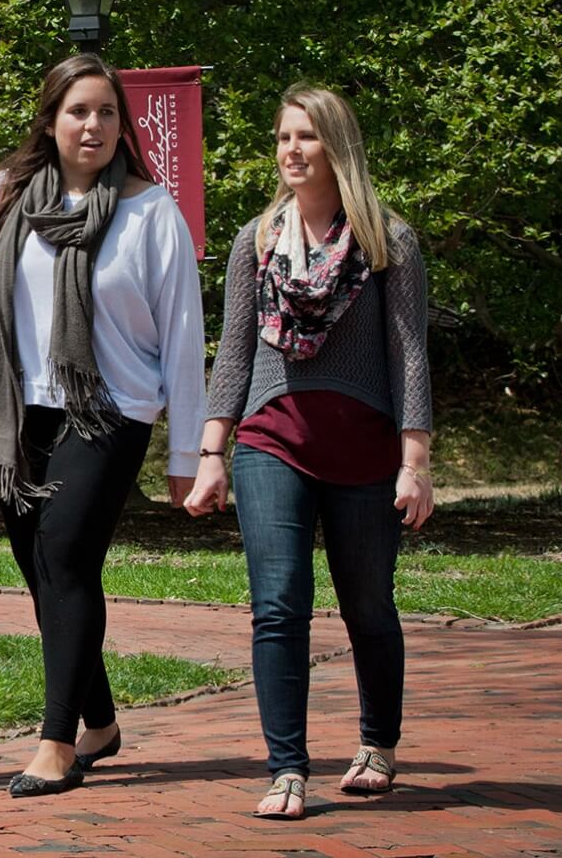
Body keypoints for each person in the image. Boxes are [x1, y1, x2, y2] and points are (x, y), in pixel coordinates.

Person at [0, 53, 206, 798]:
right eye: (79, 110)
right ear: (50, 119)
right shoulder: (3, 197)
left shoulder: (150, 210)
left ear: (123, 124)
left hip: (112, 408)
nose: (94, 125)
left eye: (107, 112)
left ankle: (56, 742)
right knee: (43, 571)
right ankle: (101, 721)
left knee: (65, 551)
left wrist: (190, 449)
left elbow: (181, 333)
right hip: (18, 412)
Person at [183, 84, 433, 820]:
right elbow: (232, 354)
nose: (291, 150)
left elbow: (409, 356)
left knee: (368, 607)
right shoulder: (258, 240)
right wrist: (211, 451)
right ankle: (287, 767)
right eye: (283, 137)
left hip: (365, 452)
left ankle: (377, 744)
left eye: (307, 137)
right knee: (279, 604)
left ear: (337, 146)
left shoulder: (390, 241)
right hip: (272, 441)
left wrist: (414, 462)